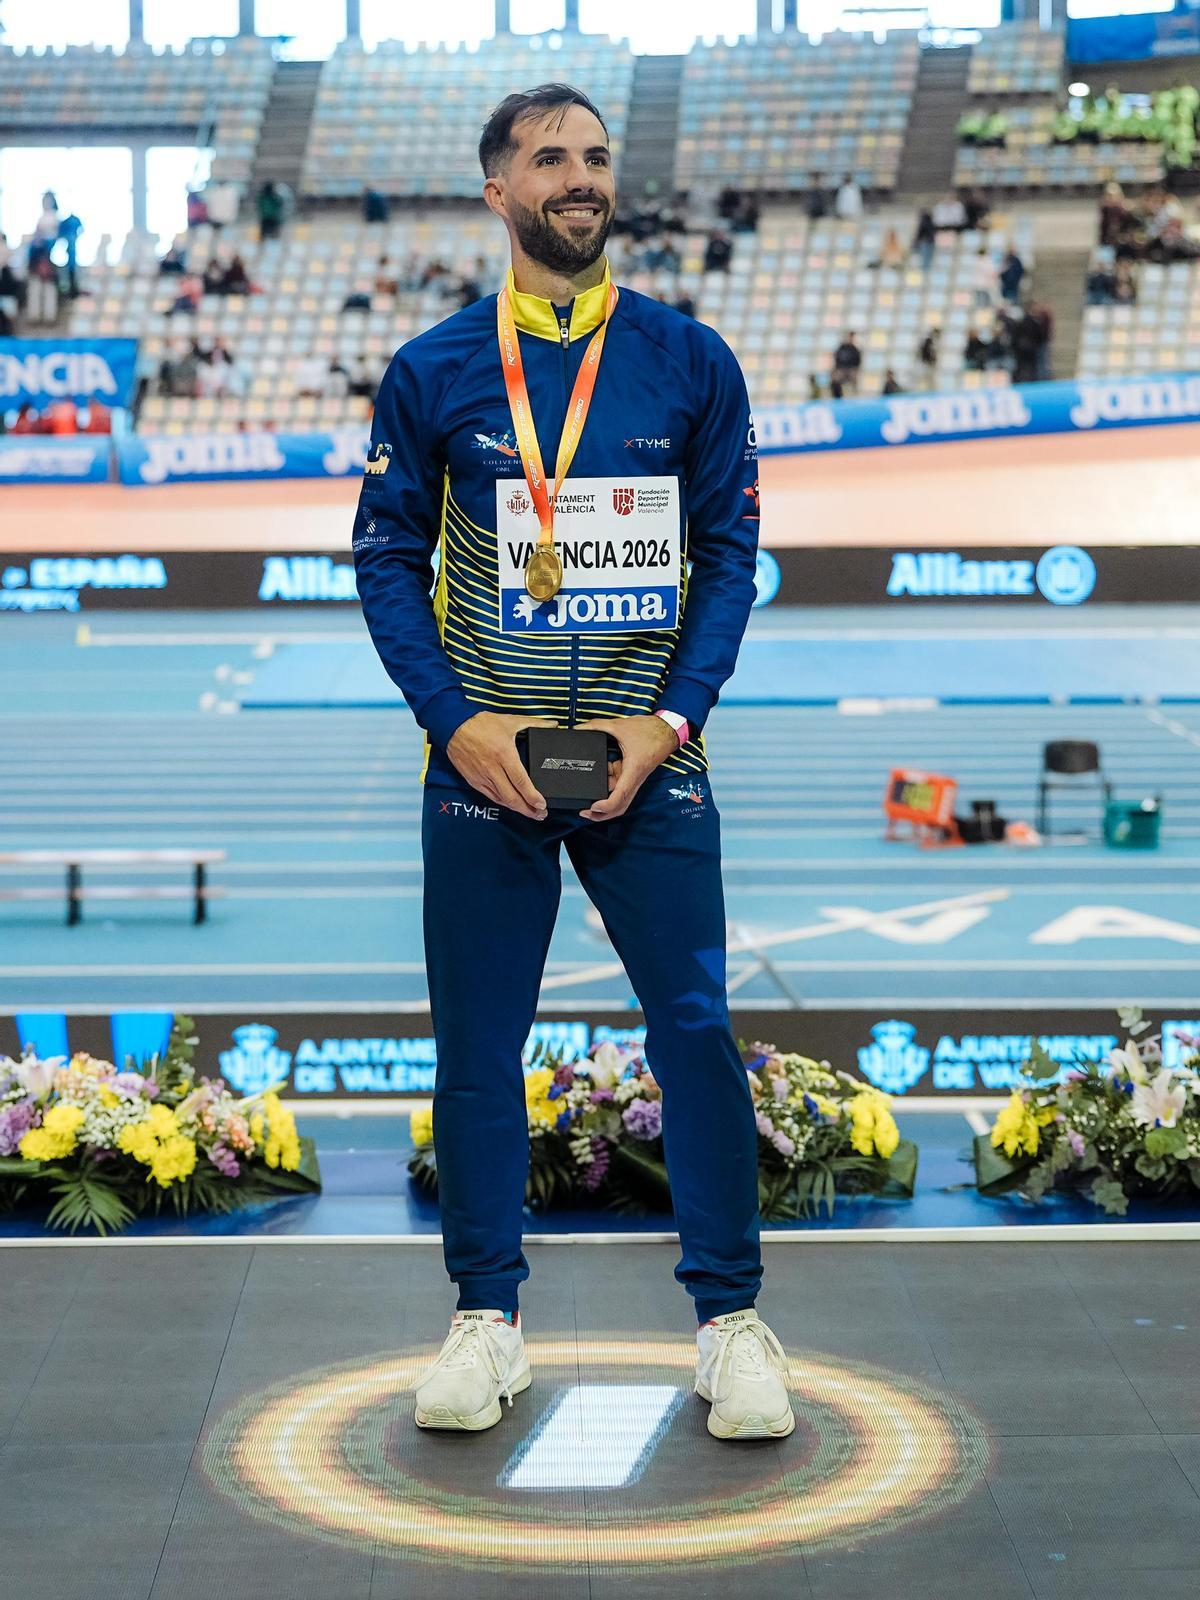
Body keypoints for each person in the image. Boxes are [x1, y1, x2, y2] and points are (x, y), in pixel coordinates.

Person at [352, 81, 791, 1442]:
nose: (581, 176)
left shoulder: (689, 359)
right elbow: (382, 556)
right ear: (499, 191)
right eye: (551, 159)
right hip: (482, 763)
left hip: (645, 757)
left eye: (596, 156)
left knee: (697, 1032)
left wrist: (671, 722)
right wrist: (454, 722)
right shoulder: (434, 368)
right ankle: (486, 1316)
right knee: (478, 1048)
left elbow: (731, 557)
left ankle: (731, 1323)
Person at [829, 330, 861, 398]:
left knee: (852, 375)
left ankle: (852, 396)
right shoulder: (841, 348)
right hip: (841, 369)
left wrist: (854, 370)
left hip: (851, 370)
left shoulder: (855, 349)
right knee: (835, 378)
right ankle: (837, 397)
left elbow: (857, 363)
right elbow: (836, 359)